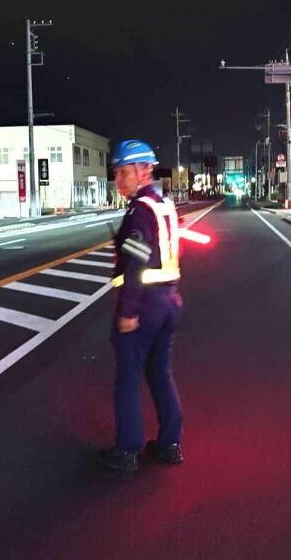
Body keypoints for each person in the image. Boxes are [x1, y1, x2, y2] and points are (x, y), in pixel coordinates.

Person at [99, 140, 185, 472]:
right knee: (160, 372)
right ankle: (170, 444)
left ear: (144, 171)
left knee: (128, 376)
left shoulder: (139, 211)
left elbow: (136, 261)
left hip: (144, 304)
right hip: (170, 301)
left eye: (125, 172)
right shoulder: (164, 206)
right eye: (116, 173)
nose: (118, 180)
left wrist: (127, 311)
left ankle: (127, 450)